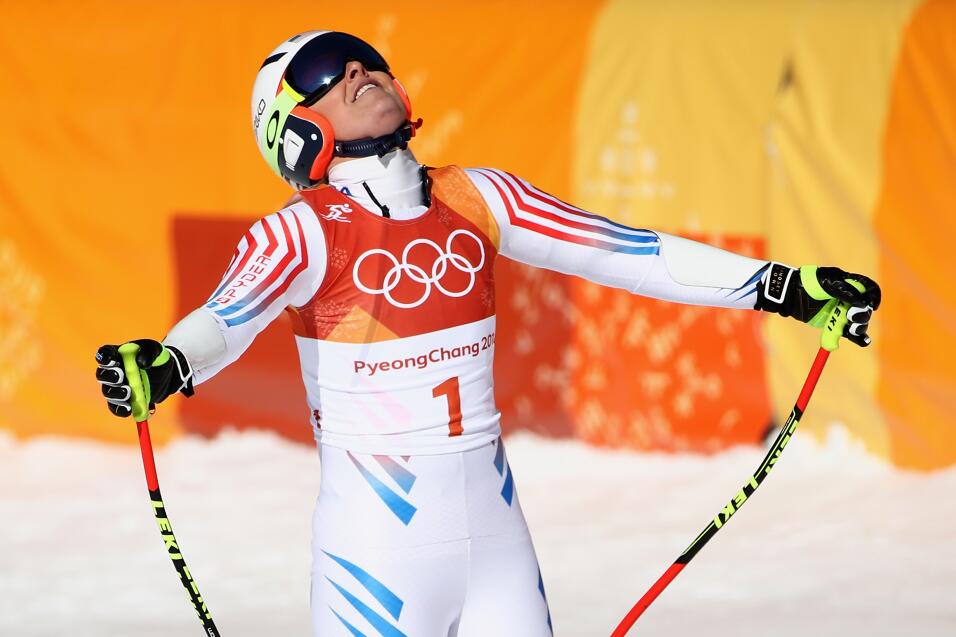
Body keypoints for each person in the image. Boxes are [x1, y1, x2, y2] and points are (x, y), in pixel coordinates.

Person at [94, 31, 881, 637]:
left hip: (499, 549)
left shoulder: (479, 197)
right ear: (294, 132)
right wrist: (165, 364)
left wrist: (781, 286)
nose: (357, 72)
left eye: (363, 59)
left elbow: (631, 253)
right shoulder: (302, 231)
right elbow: (226, 319)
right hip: (374, 561)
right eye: (324, 76)